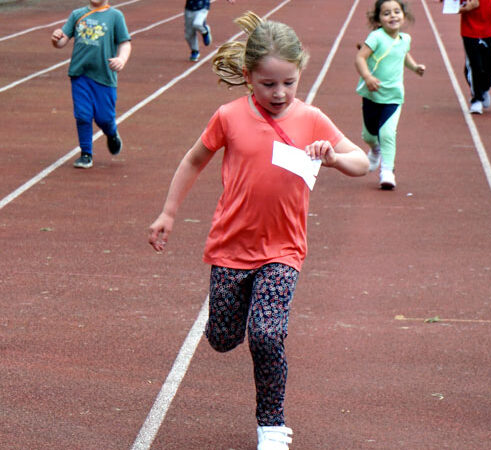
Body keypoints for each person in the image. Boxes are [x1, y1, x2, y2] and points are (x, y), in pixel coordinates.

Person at [148, 11, 369, 450]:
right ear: (249, 77)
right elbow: (195, 159)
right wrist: (168, 213)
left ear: (300, 73)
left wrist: (334, 159)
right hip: (231, 247)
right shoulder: (229, 116)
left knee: (267, 334)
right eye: (269, 84)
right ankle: (230, 322)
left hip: (283, 250)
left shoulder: (312, 119)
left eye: (289, 82)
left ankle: (271, 425)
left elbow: (362, 162)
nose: (280, 92)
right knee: (222, 338)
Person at [51, 0, 131, 169]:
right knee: (82, 115)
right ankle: (86, 153)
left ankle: (111, 133)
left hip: (104, 77)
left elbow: (125, 42)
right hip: (80, 75)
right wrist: (56, 38)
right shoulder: (77, 14)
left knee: (104, 117)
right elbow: (62, 41)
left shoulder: (115, 16)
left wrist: (121, 59)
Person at [354, 0, 425, 190]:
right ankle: (375, 150)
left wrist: (415, 67)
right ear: (378, 19)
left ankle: (387, 170)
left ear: (404, 15)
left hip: (393, 97)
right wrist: (367, 76)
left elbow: (404, 56)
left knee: (387, 133)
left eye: (396, 12)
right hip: (372, 95)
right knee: (368, 135)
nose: (392, 16)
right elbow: (360, 57)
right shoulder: (376, 37)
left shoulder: (405, 39)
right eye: (386, 13)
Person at [459, 0, 491, 115]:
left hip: (489, 31)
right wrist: (466, 8)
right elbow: (451, 7)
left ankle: (483, 88)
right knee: (475, 66)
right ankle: (477, 99)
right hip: (469, 31)